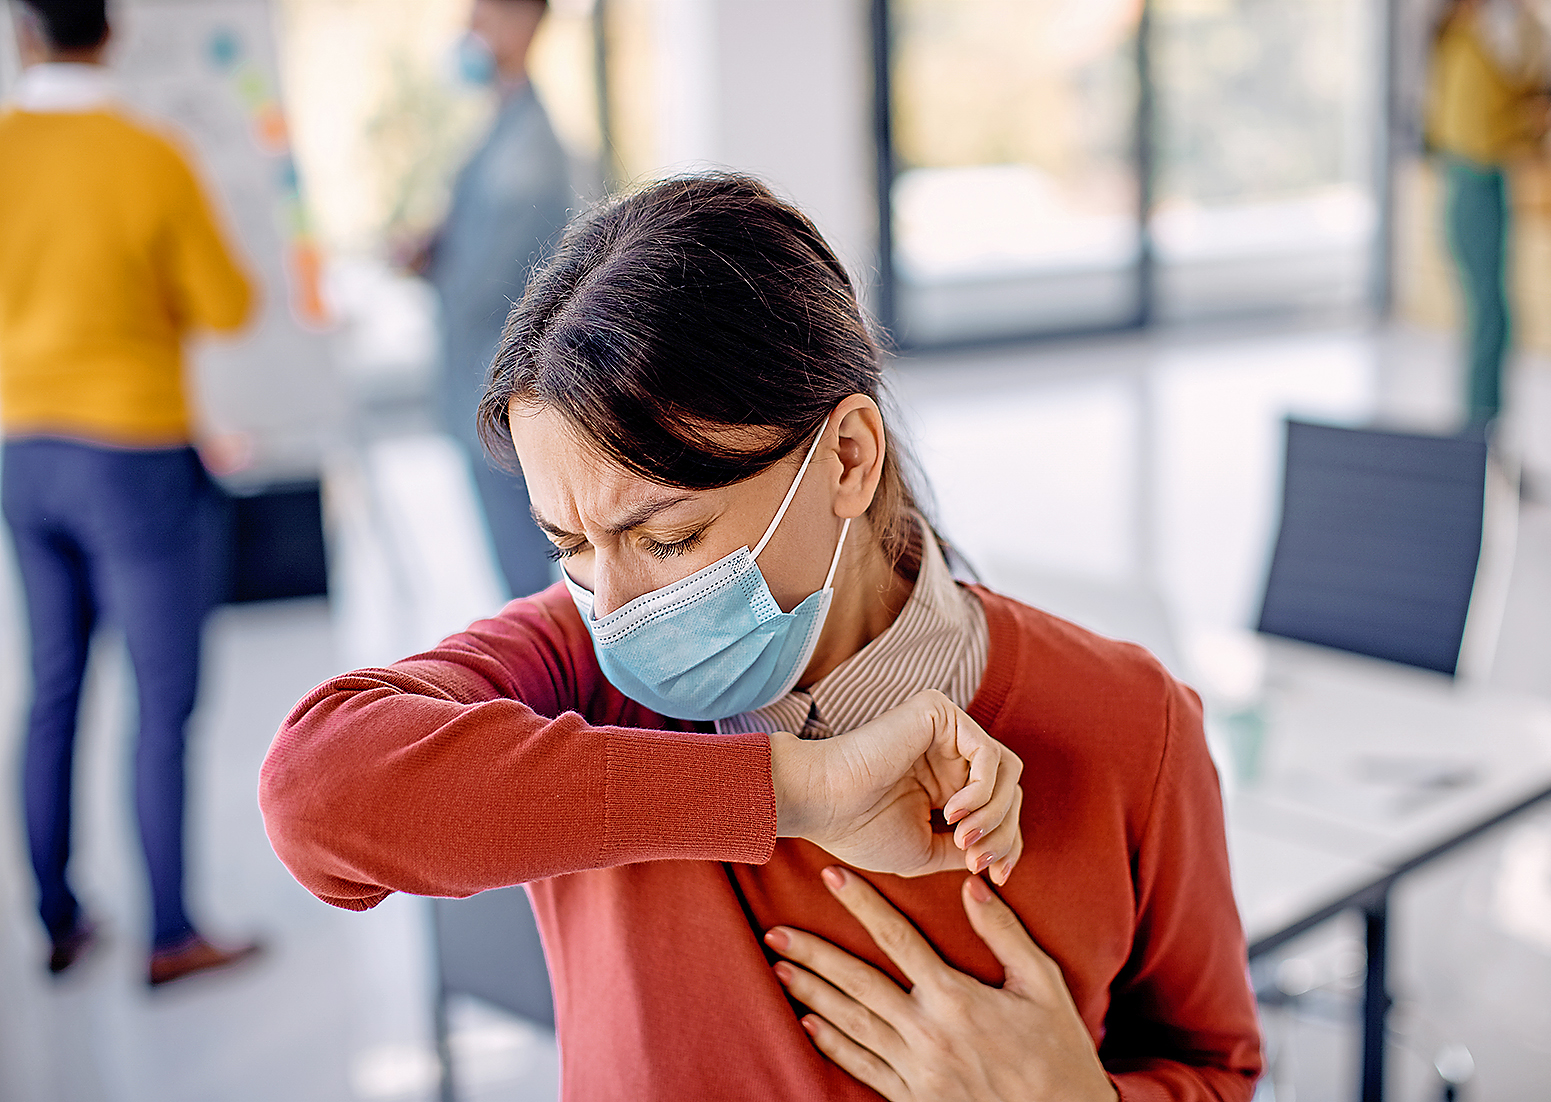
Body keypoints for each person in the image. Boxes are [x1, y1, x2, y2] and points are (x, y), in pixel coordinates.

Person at [261, 175, 1262, 1100]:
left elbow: (1216, 1066)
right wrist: (796, 792)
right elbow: (315, 794)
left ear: (848, 459)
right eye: (569, 544)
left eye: (666, 537)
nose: (616, 605)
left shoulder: (1128, 724)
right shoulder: (568, 670)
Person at [0, 0, 260, 984]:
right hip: (133, 454)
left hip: (22, 451)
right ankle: (171, 934)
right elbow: (227, 305)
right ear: (109, 33)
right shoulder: (150, 157)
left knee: (53, 685)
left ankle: (56, 918)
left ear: (24, 35)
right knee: (162, 699)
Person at [419, 0, 576, 598]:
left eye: (482, 19)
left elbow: (490, 278)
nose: (468, 32)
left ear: (524, 23)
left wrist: (441, 265)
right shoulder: (502, 127)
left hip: (502, 379)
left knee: (528, 576)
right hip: (484, 374)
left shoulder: (529, 149)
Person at [1427, 0, 1551, 436]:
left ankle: (1485, 429)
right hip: (1474, 187)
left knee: (1491, 317)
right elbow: (1485, 131)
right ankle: (1480, 432)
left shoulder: (1469, 45)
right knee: (1490, 320)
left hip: (1478, 187)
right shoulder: (1465, 48)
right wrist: (1537, 121)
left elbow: (1514, 92)